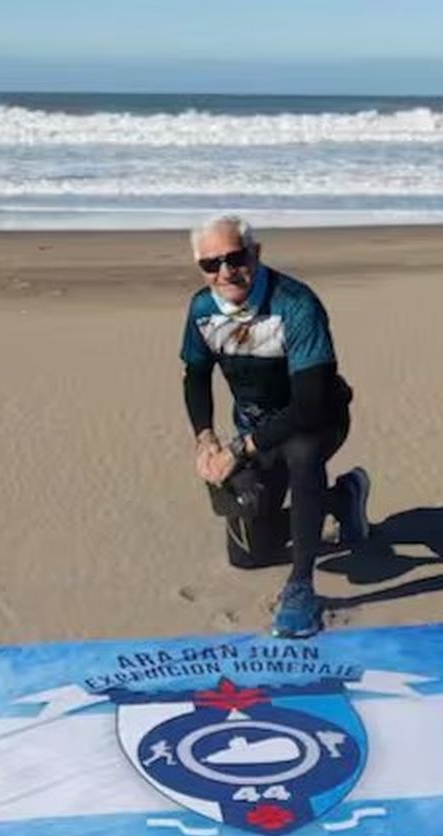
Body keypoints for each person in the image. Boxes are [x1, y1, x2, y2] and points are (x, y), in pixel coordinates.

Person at [180, 214, 370, 638]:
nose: (226, 272)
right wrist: (206, 439)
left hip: (317, 420)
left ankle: (301, 587)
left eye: (235, 258)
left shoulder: (296, 304)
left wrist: (239, 449)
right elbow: (195, 376)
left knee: (302, 455)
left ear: (256, 254)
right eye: (212, 264)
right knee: (249, 554)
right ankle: (341, 499)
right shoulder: (201, 309)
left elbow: (309, 405)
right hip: (254, 432)